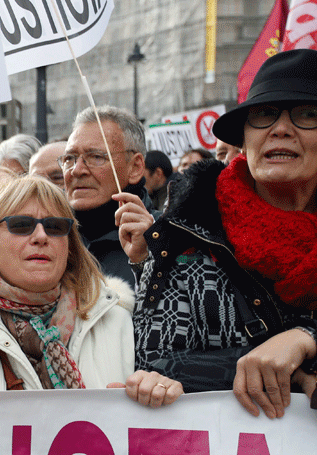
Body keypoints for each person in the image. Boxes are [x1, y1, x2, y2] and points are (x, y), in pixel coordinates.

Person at [117, 49, 317, 418]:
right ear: (245, 138)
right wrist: (286, 371)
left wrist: (305, 340)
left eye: (307, 114)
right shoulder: (186, 237)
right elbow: (155, 362)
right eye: (263, 115)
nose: (281, 128)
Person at [0, 176, 181, 403]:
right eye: (21, 225)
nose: (41, 236)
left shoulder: (114, 314)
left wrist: (154, 388)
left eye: (55, 227)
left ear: (69, 244)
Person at [61, 105, 152, 289]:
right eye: (69, 158)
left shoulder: (171, 239)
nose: (76, 170)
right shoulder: (47, 236)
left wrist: (146, 261)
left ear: (135, 167)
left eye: (96, 157)